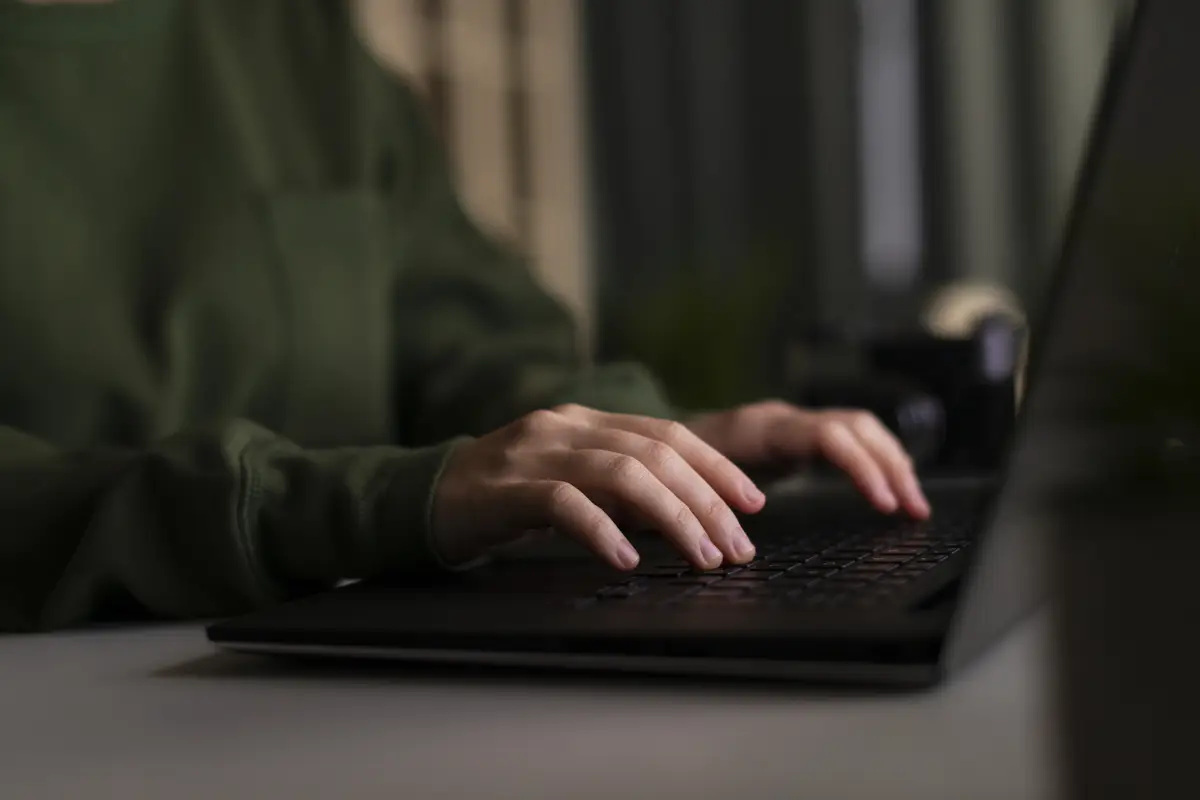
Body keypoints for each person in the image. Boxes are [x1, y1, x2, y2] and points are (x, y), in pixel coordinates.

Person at [0, 0, 929, 633]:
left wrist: (629, 443)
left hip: (349, 687)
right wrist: (387, 503)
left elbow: (476, 340)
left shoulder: (295, 44)